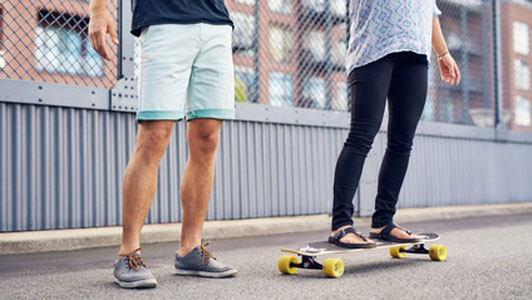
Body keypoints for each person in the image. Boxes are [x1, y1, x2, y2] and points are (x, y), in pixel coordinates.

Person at [88, 0, 237, 288]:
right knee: (154, 135)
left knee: (208, 138)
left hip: (216, 24)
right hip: (162, 20)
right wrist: (97, 9)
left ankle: (190, 250)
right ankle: (128, 253)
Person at [328, 0, 461, 248]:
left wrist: (443, 52)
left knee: (402, 142)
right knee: (361, 137)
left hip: (415, 54)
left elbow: (429, 10)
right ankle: (341, 223)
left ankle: (384, 221)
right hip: (374, 49)